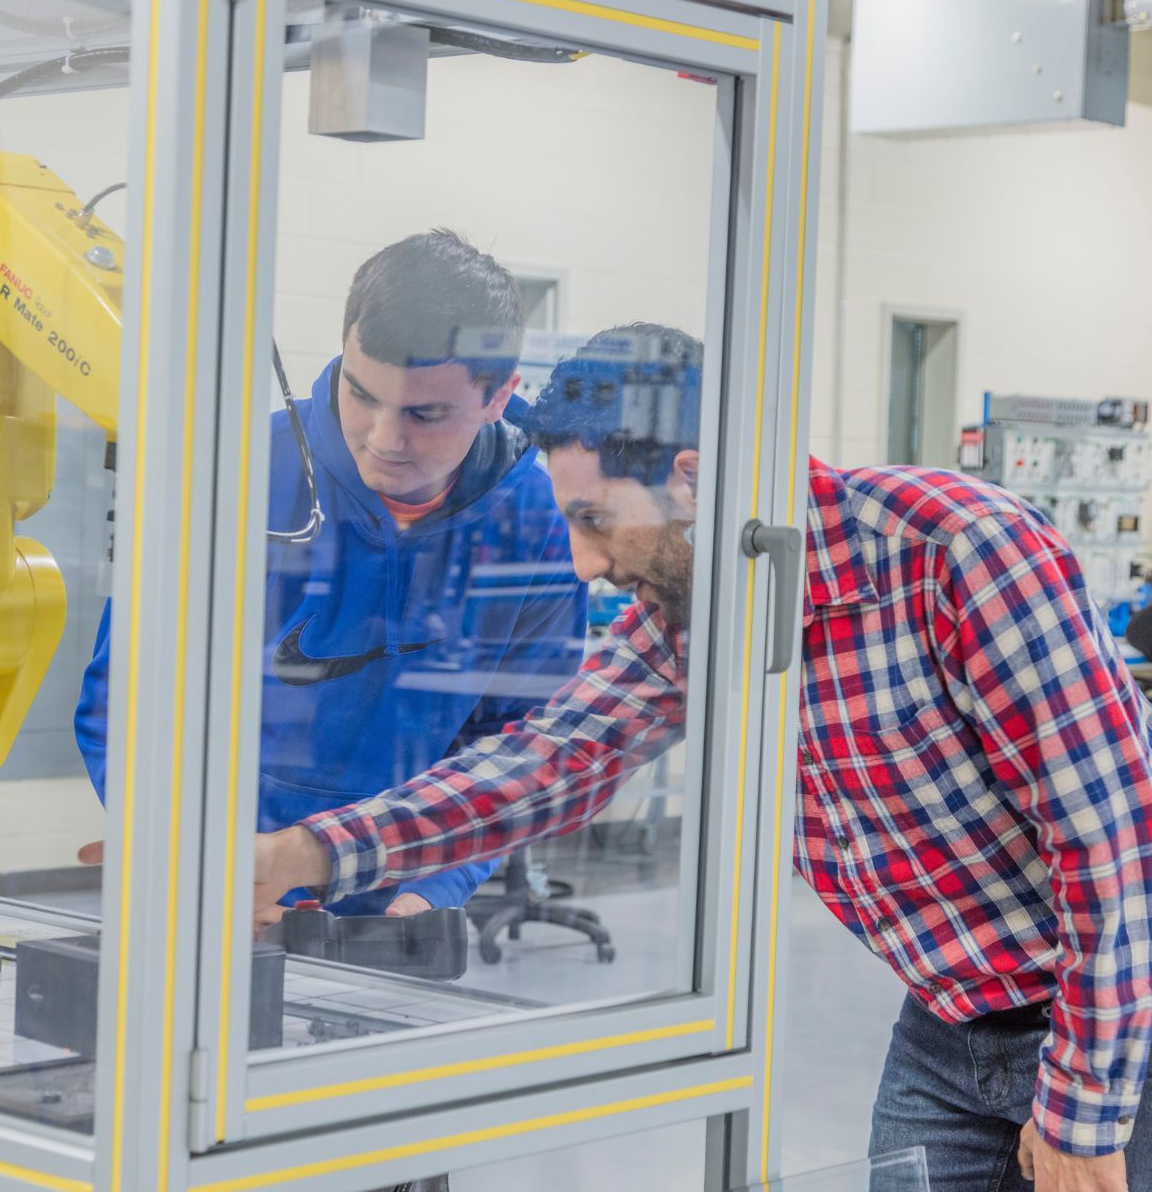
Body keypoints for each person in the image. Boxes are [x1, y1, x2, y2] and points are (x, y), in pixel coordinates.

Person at [254, 323, 1152, 1192]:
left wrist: (1083, 1111)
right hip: (949, 1016)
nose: (584, 562)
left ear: (691, 478)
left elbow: (1111, 849)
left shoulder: (957, 548)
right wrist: (308, 854)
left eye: (595, 518)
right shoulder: (695, 610)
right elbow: (545, 765)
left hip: (1119, 1013)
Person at [76, 229, 586, 918]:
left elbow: (517, 737)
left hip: (403, 902)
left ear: (498, 397)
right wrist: (184, 850)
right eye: (361, 394)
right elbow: (127, 697)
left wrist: (435, 889)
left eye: (423, 414)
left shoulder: (542, 521)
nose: (383, 437)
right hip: (218, 887)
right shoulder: (232, 474)